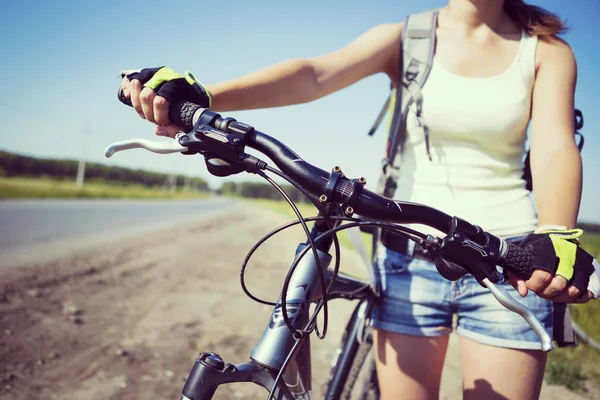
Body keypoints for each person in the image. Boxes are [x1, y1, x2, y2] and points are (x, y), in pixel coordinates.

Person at [120, 0, 598, 398]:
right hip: (409, 256)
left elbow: (555, 144)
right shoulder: (408, 36)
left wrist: (556, 233)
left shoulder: (547, 52)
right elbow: (316, 74)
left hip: (506, 258)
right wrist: (205, 96)